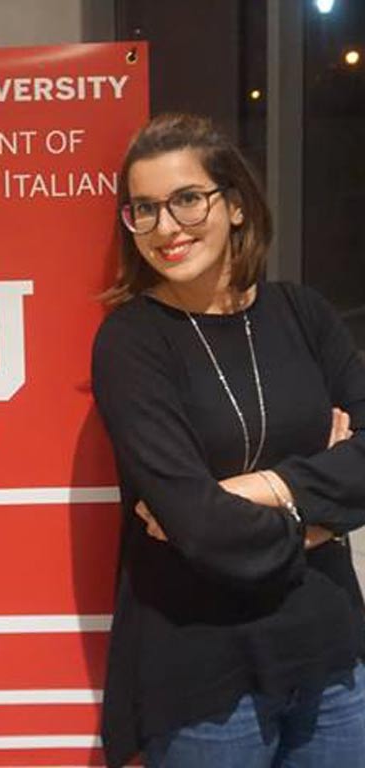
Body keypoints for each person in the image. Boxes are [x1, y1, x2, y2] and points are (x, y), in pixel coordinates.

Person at [91, 113, 365, 768]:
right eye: (145, 209)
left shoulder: (304, 313)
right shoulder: (131, 343)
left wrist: (259, 488)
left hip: (332, 658)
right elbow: (198, 525)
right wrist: (321, 512)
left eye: (187, 199)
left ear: (236, 205)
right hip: (204, 675)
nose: (166, 227)